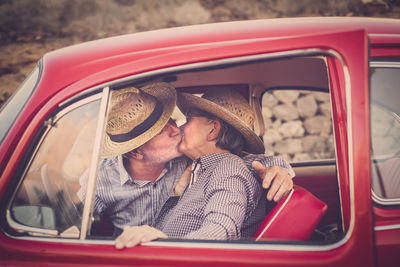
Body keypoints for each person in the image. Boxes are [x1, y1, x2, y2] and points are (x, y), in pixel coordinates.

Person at [78, 82, 294, 235]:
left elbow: (234, 163)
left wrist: (276, 168)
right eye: (162, 130)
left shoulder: (214, 164)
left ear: (213, 131)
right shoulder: (100, 179)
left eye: (175, 120)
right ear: (135, 152)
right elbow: (71, 223)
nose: (177, 129)